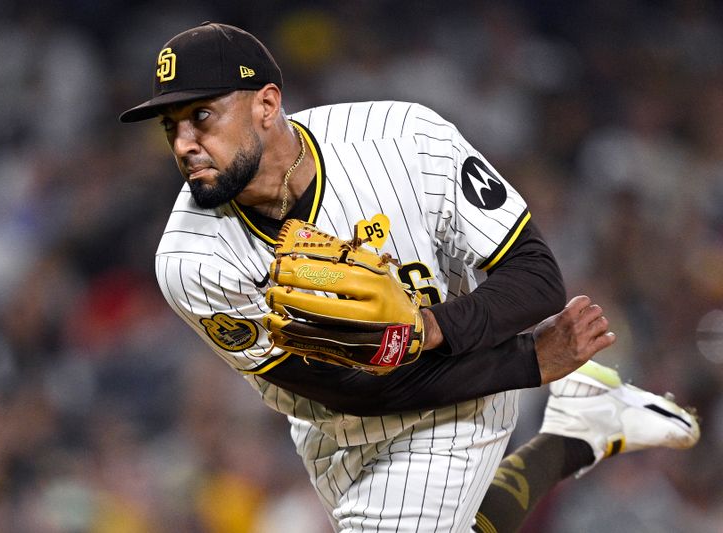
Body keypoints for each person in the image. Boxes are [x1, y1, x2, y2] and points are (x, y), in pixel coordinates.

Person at [119, 22, 699, 532]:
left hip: (466, 379)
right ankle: (575, 433)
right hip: (335, 428)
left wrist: (439, 332)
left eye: (201, 116)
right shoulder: (191, 260)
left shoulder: (399, 138)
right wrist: (532, 363)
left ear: (267, 105)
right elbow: (348, 389)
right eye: (171, 126)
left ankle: (574, 431)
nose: (184, 143)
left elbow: (536, 275)